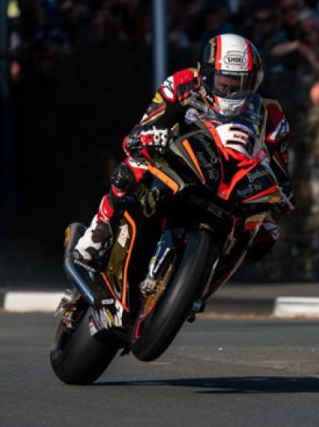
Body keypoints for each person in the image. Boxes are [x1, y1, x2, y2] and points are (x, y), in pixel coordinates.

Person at [73, 34, 295, 269]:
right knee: (133, 166)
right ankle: (101, 227)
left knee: (267, 231)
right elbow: (140, 131)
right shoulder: (182, 83)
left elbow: (280, 164)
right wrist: (149, 136)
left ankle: (205, 280)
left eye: (242, 83)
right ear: (207, 74)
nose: (233, 89)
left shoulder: (270, 109)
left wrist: (283, 195)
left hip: (231, 181)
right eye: (225, 81)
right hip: (177, 163)